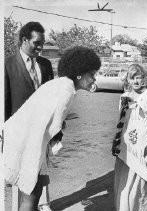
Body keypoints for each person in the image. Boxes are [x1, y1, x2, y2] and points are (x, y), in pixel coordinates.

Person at [4, 45, 101, 211]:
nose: (94, 79)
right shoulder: (67, 90)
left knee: (35, 189)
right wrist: (59, 132)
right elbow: (53, 127)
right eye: (91, 74)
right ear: (79, 72)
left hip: (22, 137)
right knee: (31, 195)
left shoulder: (61, 84)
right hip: (27, 142)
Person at [5, 21, 54, 211]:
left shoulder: (45, 64)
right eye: (36, 43)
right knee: (24, 183)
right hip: (19, 135)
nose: (40, 47)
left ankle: (39, 205)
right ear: (24, 40)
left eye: (42, 42)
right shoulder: (7, 65)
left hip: (42, 134)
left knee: (37, 181)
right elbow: (5, 104)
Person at [112, 64, 147, 211]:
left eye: (139, 77)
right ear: (128, 80)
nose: (136, 81)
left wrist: (136, 103)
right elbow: (121, 122)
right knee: (123, 180)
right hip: (126, 144)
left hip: (141, 145)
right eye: (132, 78)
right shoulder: (124, 96)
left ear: (144, 78)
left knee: (138, 179)